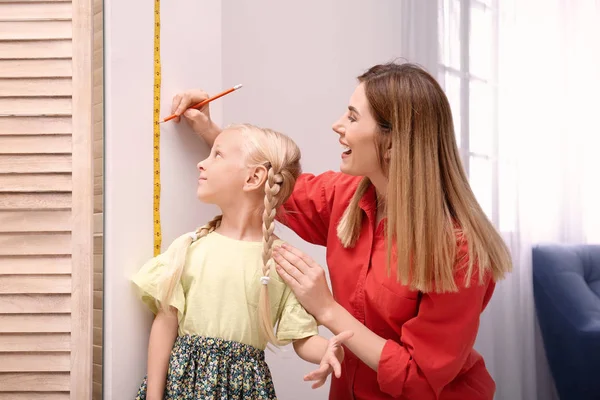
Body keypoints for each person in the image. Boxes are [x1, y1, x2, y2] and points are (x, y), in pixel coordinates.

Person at [170, 62, 513, 400]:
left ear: (392, 143)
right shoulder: (346, 196)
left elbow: (420, 380)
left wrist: (327, 309)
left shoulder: (459, 249)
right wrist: (210, 132)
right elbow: (270, 179)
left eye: (352, 117)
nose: (337, 125)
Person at [131, 123, 353, 400]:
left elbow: (302, 338)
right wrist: (154, 396)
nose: (202, 163)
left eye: (217, 155)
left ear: (253, 178)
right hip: (181, 386)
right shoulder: (189, 249)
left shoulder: (282, 261)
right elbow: (166, 323)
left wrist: (329, 350)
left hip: (246, 391)